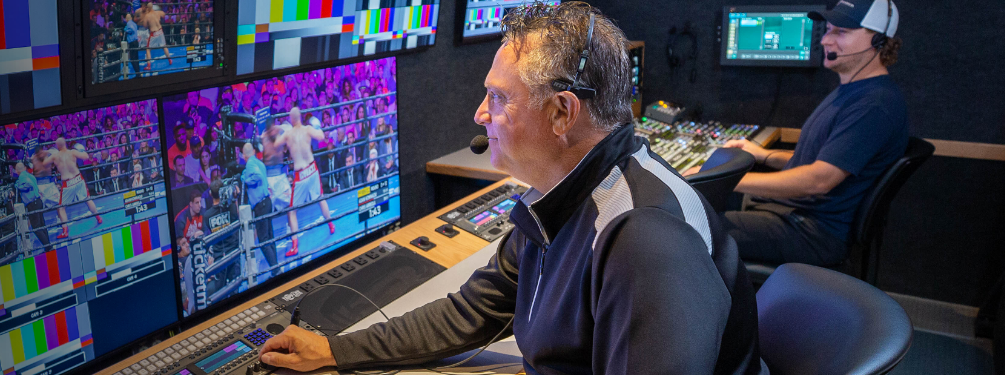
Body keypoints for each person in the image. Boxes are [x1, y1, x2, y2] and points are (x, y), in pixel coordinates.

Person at [257, 3, 761, 374]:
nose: (480, 115)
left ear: (562, 112)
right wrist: (338, 350)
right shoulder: (560, 193)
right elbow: (474, 311)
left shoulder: (642, 238)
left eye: (498, 98)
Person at [694, 0, 907, 267]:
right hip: (796, 216)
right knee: (699, 218)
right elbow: (823, 159)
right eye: (828, 30)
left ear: (878, 41)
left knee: (689, 229)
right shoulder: (855, 91)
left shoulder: (874, 105)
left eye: (841, 32)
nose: (827, 41)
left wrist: (722, 180)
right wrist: (765, 155)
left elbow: (819, 179)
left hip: (812, 233)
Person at [273, 107, 334, 257]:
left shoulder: (288, 134)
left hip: (300, 174)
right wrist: (317, 125)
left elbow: (275, 145)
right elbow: (321, 136)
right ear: (300, 117)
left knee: (292, 211)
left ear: (290, 118)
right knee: (320, 197)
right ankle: (331, 224)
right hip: (312, 169)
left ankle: (295, 246)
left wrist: (280, 128)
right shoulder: (307, 129)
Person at [38, 138, 104, 239]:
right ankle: (98, 218)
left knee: (61, 208)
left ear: (57, 146)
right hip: (78, 179)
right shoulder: (72, 152)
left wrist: (48, 152)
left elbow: (44, 163)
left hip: (67, 183)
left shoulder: (55, 156)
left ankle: (65, 231)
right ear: (65, 144)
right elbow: (86, 156)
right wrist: (81, 149)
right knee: (87, 199)